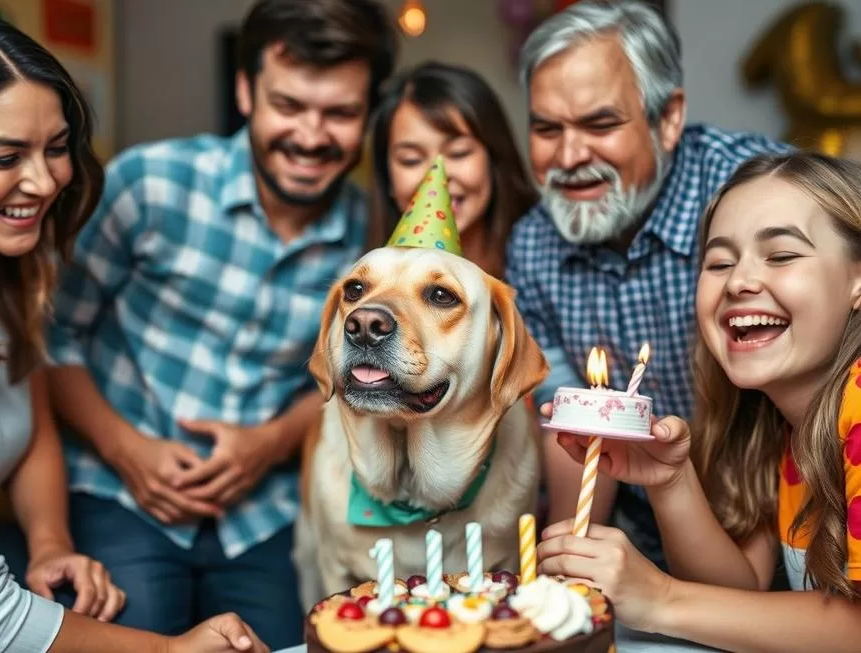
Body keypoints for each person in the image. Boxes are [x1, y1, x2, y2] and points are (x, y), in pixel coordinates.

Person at [0, 10, 268, 653]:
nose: (44, 181)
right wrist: (169, 650)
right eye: (5, 157)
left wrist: (51, 544)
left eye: (56, 148)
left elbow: (28, 422)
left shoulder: (0, 262)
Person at [44, 0, 398, 646]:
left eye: (340, 113)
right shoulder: (149, 184)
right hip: (120, 493)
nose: (312, 136)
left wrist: (270, 442)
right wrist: (128, 449)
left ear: (367, 114)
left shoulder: (372, 239)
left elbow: (354, 383)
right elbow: (52, 334)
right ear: (245, 91)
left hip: (263, 515)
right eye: (288, 105)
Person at [505, 0, 791, 567]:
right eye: (546, 129)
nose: (569, 156)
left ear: (668, 119)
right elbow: (577, 437)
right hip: (637, 541)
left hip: (780, 518)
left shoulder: (757, 193)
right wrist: (566, 574)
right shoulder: (533, 245)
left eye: (601, 123)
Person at [537, 151, 861, 651]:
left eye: (781, 255)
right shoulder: (776, 422)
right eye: (719, 262)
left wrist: (661, 597)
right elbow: (737, 597)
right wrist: (671, 481)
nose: (738, 282)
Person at [368, 61, 537, 278]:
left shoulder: (538, 264)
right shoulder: (366, 281)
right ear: (387, 178)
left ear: (494, 161)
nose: (436, 178)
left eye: (459, 152)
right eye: (411, 160)